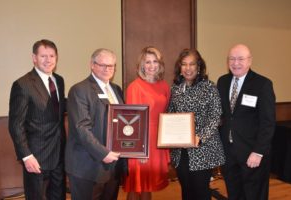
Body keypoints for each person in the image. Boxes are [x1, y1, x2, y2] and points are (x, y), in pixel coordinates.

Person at [8, 39, 66, 200]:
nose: (48, 60)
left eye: (52, 56)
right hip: (36, 156)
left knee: (58, 196)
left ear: (56, 58)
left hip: (59, 154)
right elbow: (15, 125)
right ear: (34, 58)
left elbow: (57, 111)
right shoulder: (22, 84)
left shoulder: (59, 81)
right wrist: (26, 156)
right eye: (43, 56)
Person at [65, 48, 127, 200]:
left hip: (112, 165)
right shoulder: (79, 90)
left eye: (111, 66)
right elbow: (81, 128)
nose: (107, 69)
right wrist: (103, 153)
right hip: (87, 166)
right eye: (102, 65)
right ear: (92, 65)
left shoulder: (116, 89)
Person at [217, 44, 276, 200]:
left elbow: (268, 123)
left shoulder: (262, 84)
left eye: (241, 59)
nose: (236, 63)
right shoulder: (222, 82)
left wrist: (258, 152)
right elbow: (223, 116)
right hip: (229, 153)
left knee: (254, 195)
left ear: (249, 61)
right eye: (232, 59)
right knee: (234, 193)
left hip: (252, 153)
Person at [167, 48, 225, 200]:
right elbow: (171, 114)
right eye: (184, 64)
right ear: (179, 67)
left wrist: (200, 136)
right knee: (186, 190)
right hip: (180, 151)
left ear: (199, 66)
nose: (188, 68)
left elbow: (215, 116)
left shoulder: (209, 87)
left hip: (202, 149)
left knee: (201, 191)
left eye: (192, 64)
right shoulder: (175, 88)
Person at [123, 47, 170, 200]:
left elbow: (167, 114)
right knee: (136, 185)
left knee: (147, 185)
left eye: (155, 61)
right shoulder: (134, 87)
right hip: (141, 141)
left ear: (160, 64)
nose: (151, 65)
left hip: (157, 141)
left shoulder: (164, 86)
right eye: (147, 62)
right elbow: (132, 122)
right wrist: (139, 150)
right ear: (141, 65)